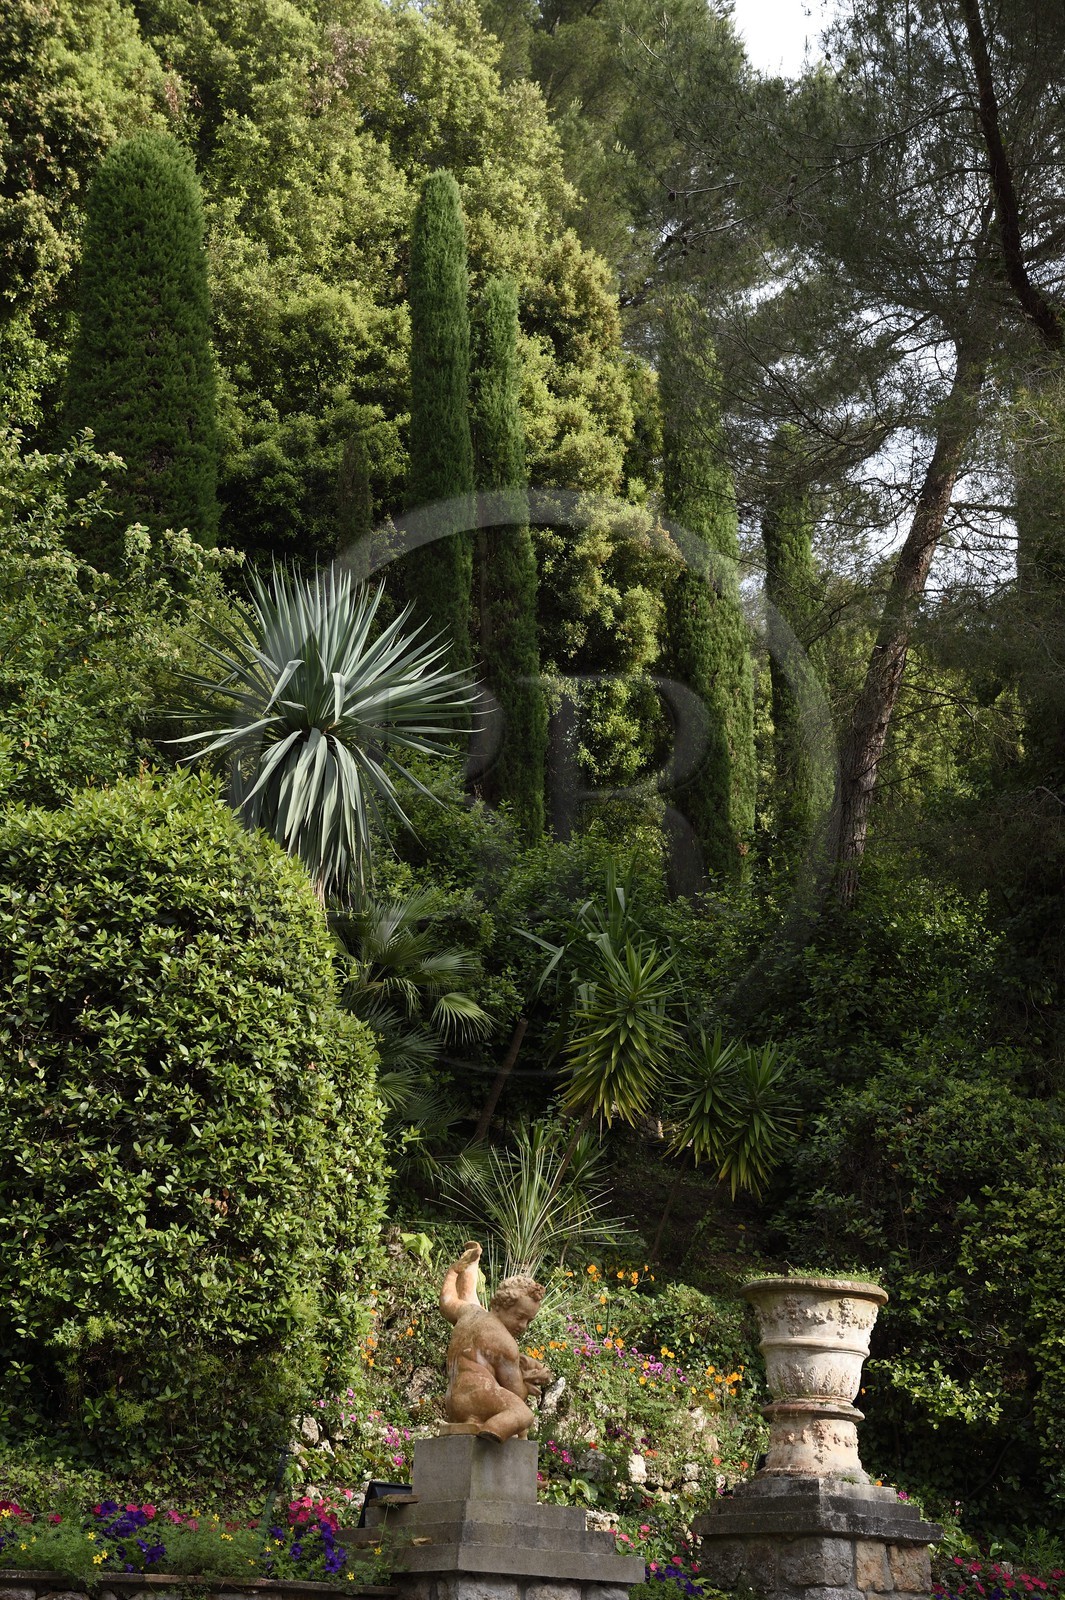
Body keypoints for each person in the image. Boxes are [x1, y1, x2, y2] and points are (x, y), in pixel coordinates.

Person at [439, 1240, 553, 1442]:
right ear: (500, 1306)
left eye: (529, 1321)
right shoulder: (505, 1342)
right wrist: (530, 1379)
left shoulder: (471, 1313)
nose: (523, 1326)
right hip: (478, 1400)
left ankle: (490, 1428)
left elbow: (449, 1301)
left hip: (453, 1401)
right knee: (523, 1414)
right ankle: (492, 1430)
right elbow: (516, 1392)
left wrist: (457, 1270)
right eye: (519, 1317)